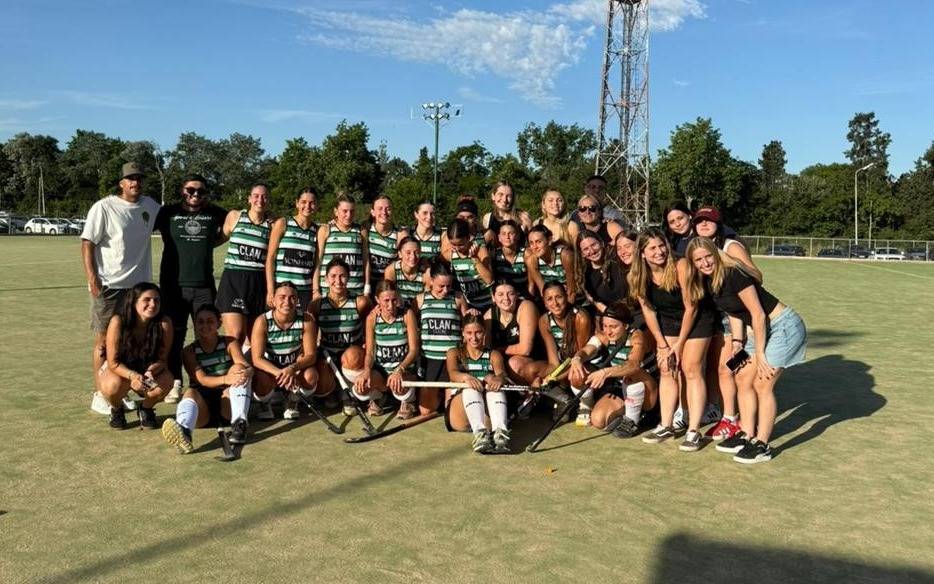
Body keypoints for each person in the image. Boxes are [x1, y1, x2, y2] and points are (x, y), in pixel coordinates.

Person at [686, 237, 806, 463]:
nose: (705, 263)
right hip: (756, 331)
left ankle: (762, 445)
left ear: (715, 254)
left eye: (708, 256)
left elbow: (758, 314)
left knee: (762, 382)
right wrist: (737, 343)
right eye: (698, 260)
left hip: (783, 326)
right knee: (740, 375)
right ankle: (747, 434)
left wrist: (760, 354)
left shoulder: (733, 274)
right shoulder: (709, 282)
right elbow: (733, 312)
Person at [82, 162, 161, 412]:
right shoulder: (104, 207)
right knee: (104, 342)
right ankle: (100, 393)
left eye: (139, 178)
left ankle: (120, 390)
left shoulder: (150, 206)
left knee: (129, 342)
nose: (135, 183)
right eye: (130, 179)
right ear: (121, 183)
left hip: (138, 289)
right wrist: (92, 278)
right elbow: (87, 243)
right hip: (110, 285)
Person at [629, 227, 717, 451]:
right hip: (668, 320)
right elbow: (648, 311)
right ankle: (666, 425)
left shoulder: (681, 266)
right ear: (642, 253)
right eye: (652, 248)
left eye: (662, 246)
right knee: (667, 368)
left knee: (691, 368)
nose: (659, 252)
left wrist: (678, 344)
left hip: (697, 318)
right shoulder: (637, 275)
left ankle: (694, 431)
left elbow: (691, 308)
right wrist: (661, 344)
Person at [155, 173, 228, 403]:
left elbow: (236, 220)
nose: (195, 194)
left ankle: (201, 382)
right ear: (182, 190)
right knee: (174, 336)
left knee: (205, 335)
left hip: (204, 286)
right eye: (190, 190)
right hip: (173, 286)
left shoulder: (214, 213)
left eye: (200, 191)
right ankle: (176, 381)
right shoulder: (167, 212)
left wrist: (214, 241)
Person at [691, 205, 761, 441]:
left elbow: (757, 276)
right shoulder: (697, 249)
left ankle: (733, 418)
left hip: (738, 319)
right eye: (699, 221)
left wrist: (729, 262)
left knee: (730, 368)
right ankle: (729, 414)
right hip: (721, 319)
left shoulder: (731, 246)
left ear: (718, 224)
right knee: (723, 369)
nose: (703, 224)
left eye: (709, 220)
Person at [161, 304, 253, 453]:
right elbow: (202, 379)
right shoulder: (189, 351)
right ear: (195, 324)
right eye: (200, 322)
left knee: (239, 369)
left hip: (228, 405)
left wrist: (248, 371)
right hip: (202, 412)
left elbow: (245, 365)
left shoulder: (229, 342)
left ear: (219, 323)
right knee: (190, 392)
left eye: (210, 321)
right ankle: (184, 431)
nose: (205, 326)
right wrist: (226, 379)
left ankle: (239, 424)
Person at [567, 303, 658, 436]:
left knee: (631, 374)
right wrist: (577, 359)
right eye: (605, 326)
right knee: (598, 421)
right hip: (621, 387)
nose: (608, 331)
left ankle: (632, 421)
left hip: (647, 389)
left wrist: (605, 372)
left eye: (614, 327)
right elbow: (586, 351)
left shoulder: (637, 337)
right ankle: (588, 406)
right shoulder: (604, 336)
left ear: (625, 326)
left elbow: (634, 366)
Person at [96, 282, 174, 430]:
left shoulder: (164, 323)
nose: (152, 304)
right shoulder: (118, 321)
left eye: (156, 300)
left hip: (147, 370)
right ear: (134, 302)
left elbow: (162, 360)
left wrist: (150, 372)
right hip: (120, 370)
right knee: (112, 386)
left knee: (167, 381)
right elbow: (113, 362)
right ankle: (116, 409)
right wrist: (133, 376)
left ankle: (146, 409)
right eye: (147, 300)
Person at [309, 259, 378, 415]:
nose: (338, 281)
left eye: (342, 276)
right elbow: (310, 339)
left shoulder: (360, 302)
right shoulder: (316, 305)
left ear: (349, 277)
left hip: (352, 358)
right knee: (319, 375)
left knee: (352, 355)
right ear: (326, 279)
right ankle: (332, 391)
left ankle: (351, 393)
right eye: (333, 276)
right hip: (328, 357)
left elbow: (373, 326)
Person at [251, 281, 322, 420]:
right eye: (282, 297)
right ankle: (265, 403)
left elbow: (311, 355)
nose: (287, 302)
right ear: (273, 300)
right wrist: (280, 373)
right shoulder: (262, 321)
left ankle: (292, 400)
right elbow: (257, 359)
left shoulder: (306, 319)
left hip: (294, 369)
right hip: (272, 371)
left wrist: (292, 368)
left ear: (297, 301)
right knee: (260, 379)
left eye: (292, 298)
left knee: (311, 376)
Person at [216, 182, 274, 345]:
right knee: (236, 335)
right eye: (256, 196)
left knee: (255, 339)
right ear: (249, 198)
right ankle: (230, 362)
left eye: (264, 197)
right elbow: (217, 240)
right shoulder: (235, 217)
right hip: (233, 281)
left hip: (258, 282)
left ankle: (249, 363)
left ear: (268, 200)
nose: (260, 200)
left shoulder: (272, 224)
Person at [355, 280, 421, 419]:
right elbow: (370, 353)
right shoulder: (372, 319)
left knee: (399, 382)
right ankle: (379, 396)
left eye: (394, 300)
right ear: (377, 299)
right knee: (360, 387)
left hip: (404, 371)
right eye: (386, 300)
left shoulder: (407, 315)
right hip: (383, 371)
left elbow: (414, 350)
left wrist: (400, 369)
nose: (390, 305)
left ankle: (408, 400)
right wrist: (366, 370)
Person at [445, 314, 510, 454]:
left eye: (478, 332)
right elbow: (453, 373)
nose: (474, 338)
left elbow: (502, 375)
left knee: (495, 389)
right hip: (460, 414)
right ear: (463, 333)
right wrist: (466, 377)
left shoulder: (494, 355)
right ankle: (479, 434)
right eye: (469, 333)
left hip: (484, 413)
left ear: (484, 332)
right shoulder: (454, 353)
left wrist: (497, 379)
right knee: (470, 388)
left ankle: (500, 434)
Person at [416, 259, 470, 415]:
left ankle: (447, 394)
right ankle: (439, 394)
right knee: (426, 411)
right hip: (430, 359)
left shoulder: (458, 298)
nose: (445, 290)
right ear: (431, 281)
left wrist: (472, 314)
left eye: (448, 286)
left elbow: (468, 327)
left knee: (451, 412)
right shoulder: (420, 299)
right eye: (441, 286)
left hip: (453, 358)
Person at [538, 281, 593, 424]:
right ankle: (564, 400)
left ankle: (586, 405)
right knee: (536, 377)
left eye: (559, 297)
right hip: (563, 363)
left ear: (566, 297)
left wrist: (556, 378)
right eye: (549, 299)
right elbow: (553, 362)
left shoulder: (580, 317)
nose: (555, 303)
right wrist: (547, 378)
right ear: (544, 303)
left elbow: (580, 357)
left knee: (576, 374)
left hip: (583, 362)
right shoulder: (544, 320)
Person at [266, 188, 318, 314]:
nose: (307, 206)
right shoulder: (283, 223)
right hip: (282, 289)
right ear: (297, 203)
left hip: (304, 291)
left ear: (317, 205)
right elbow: (270, 258)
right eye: (303, 202)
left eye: (312, 203)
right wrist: (271, 290)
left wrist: (315, 291)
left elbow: (316, 263)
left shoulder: (317, 230)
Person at [483, 280, 547, 385]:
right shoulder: (489, 315)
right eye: (500, 294)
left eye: (510, 294)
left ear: (516, 295)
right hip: (504, 360)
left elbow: (525, 349)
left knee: (514, 364)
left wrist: (498, 351)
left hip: (535, 359)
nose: (506, 298)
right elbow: (485, 348)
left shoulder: (526, 307)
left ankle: (530, 390)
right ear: (493, 297)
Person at [315, 194, 370, 299]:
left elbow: (366, 261)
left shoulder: (361, 231)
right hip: (328, 291)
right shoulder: (326, 230)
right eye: (345, 211)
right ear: (336, 211)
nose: (348, 215)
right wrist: (315, 290)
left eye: (352, 211)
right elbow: (318, 261)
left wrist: (367, 289)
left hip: (355, 291)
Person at [441, 218, 494, 313]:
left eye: (460, 244)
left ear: (469, 237)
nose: (457, 248)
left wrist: (475, 259)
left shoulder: (480, 250)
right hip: (468, 305)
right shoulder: (450, 254)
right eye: (453, 244)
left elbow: (489, 279)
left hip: (487, 303)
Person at [526, 224, 577, 303]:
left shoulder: (565, 256)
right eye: (531, 243)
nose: (535, 247)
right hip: (552, 301)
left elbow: (572, 291)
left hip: (574, 299)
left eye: (538, 242)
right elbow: (543, 291)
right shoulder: (531, 261)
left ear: (549, 241)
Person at [365, 195, 408, 290]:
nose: (384, 212)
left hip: (388, 287)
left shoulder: (400, 234)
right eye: (380, 209)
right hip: (368, 285)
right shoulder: (365, 230)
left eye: (388, 209)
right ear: (373, 212)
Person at [383, 236, 427, 309]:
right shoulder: (392, 271)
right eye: (408, 253)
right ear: (400, 254)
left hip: (418, 310)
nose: (413, 257)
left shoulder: (425, 272)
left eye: (416, 252)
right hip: (398, 309)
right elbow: (388, 296)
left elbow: (426, 300)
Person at [491, 220, 531, 298]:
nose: (507, 237)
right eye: (503, 234)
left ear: (518, 236)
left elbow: (531, 282)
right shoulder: (494, 255)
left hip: (523, 297)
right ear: (499, 238)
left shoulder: (526, 253)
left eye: (511, 233)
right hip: (504, 297)